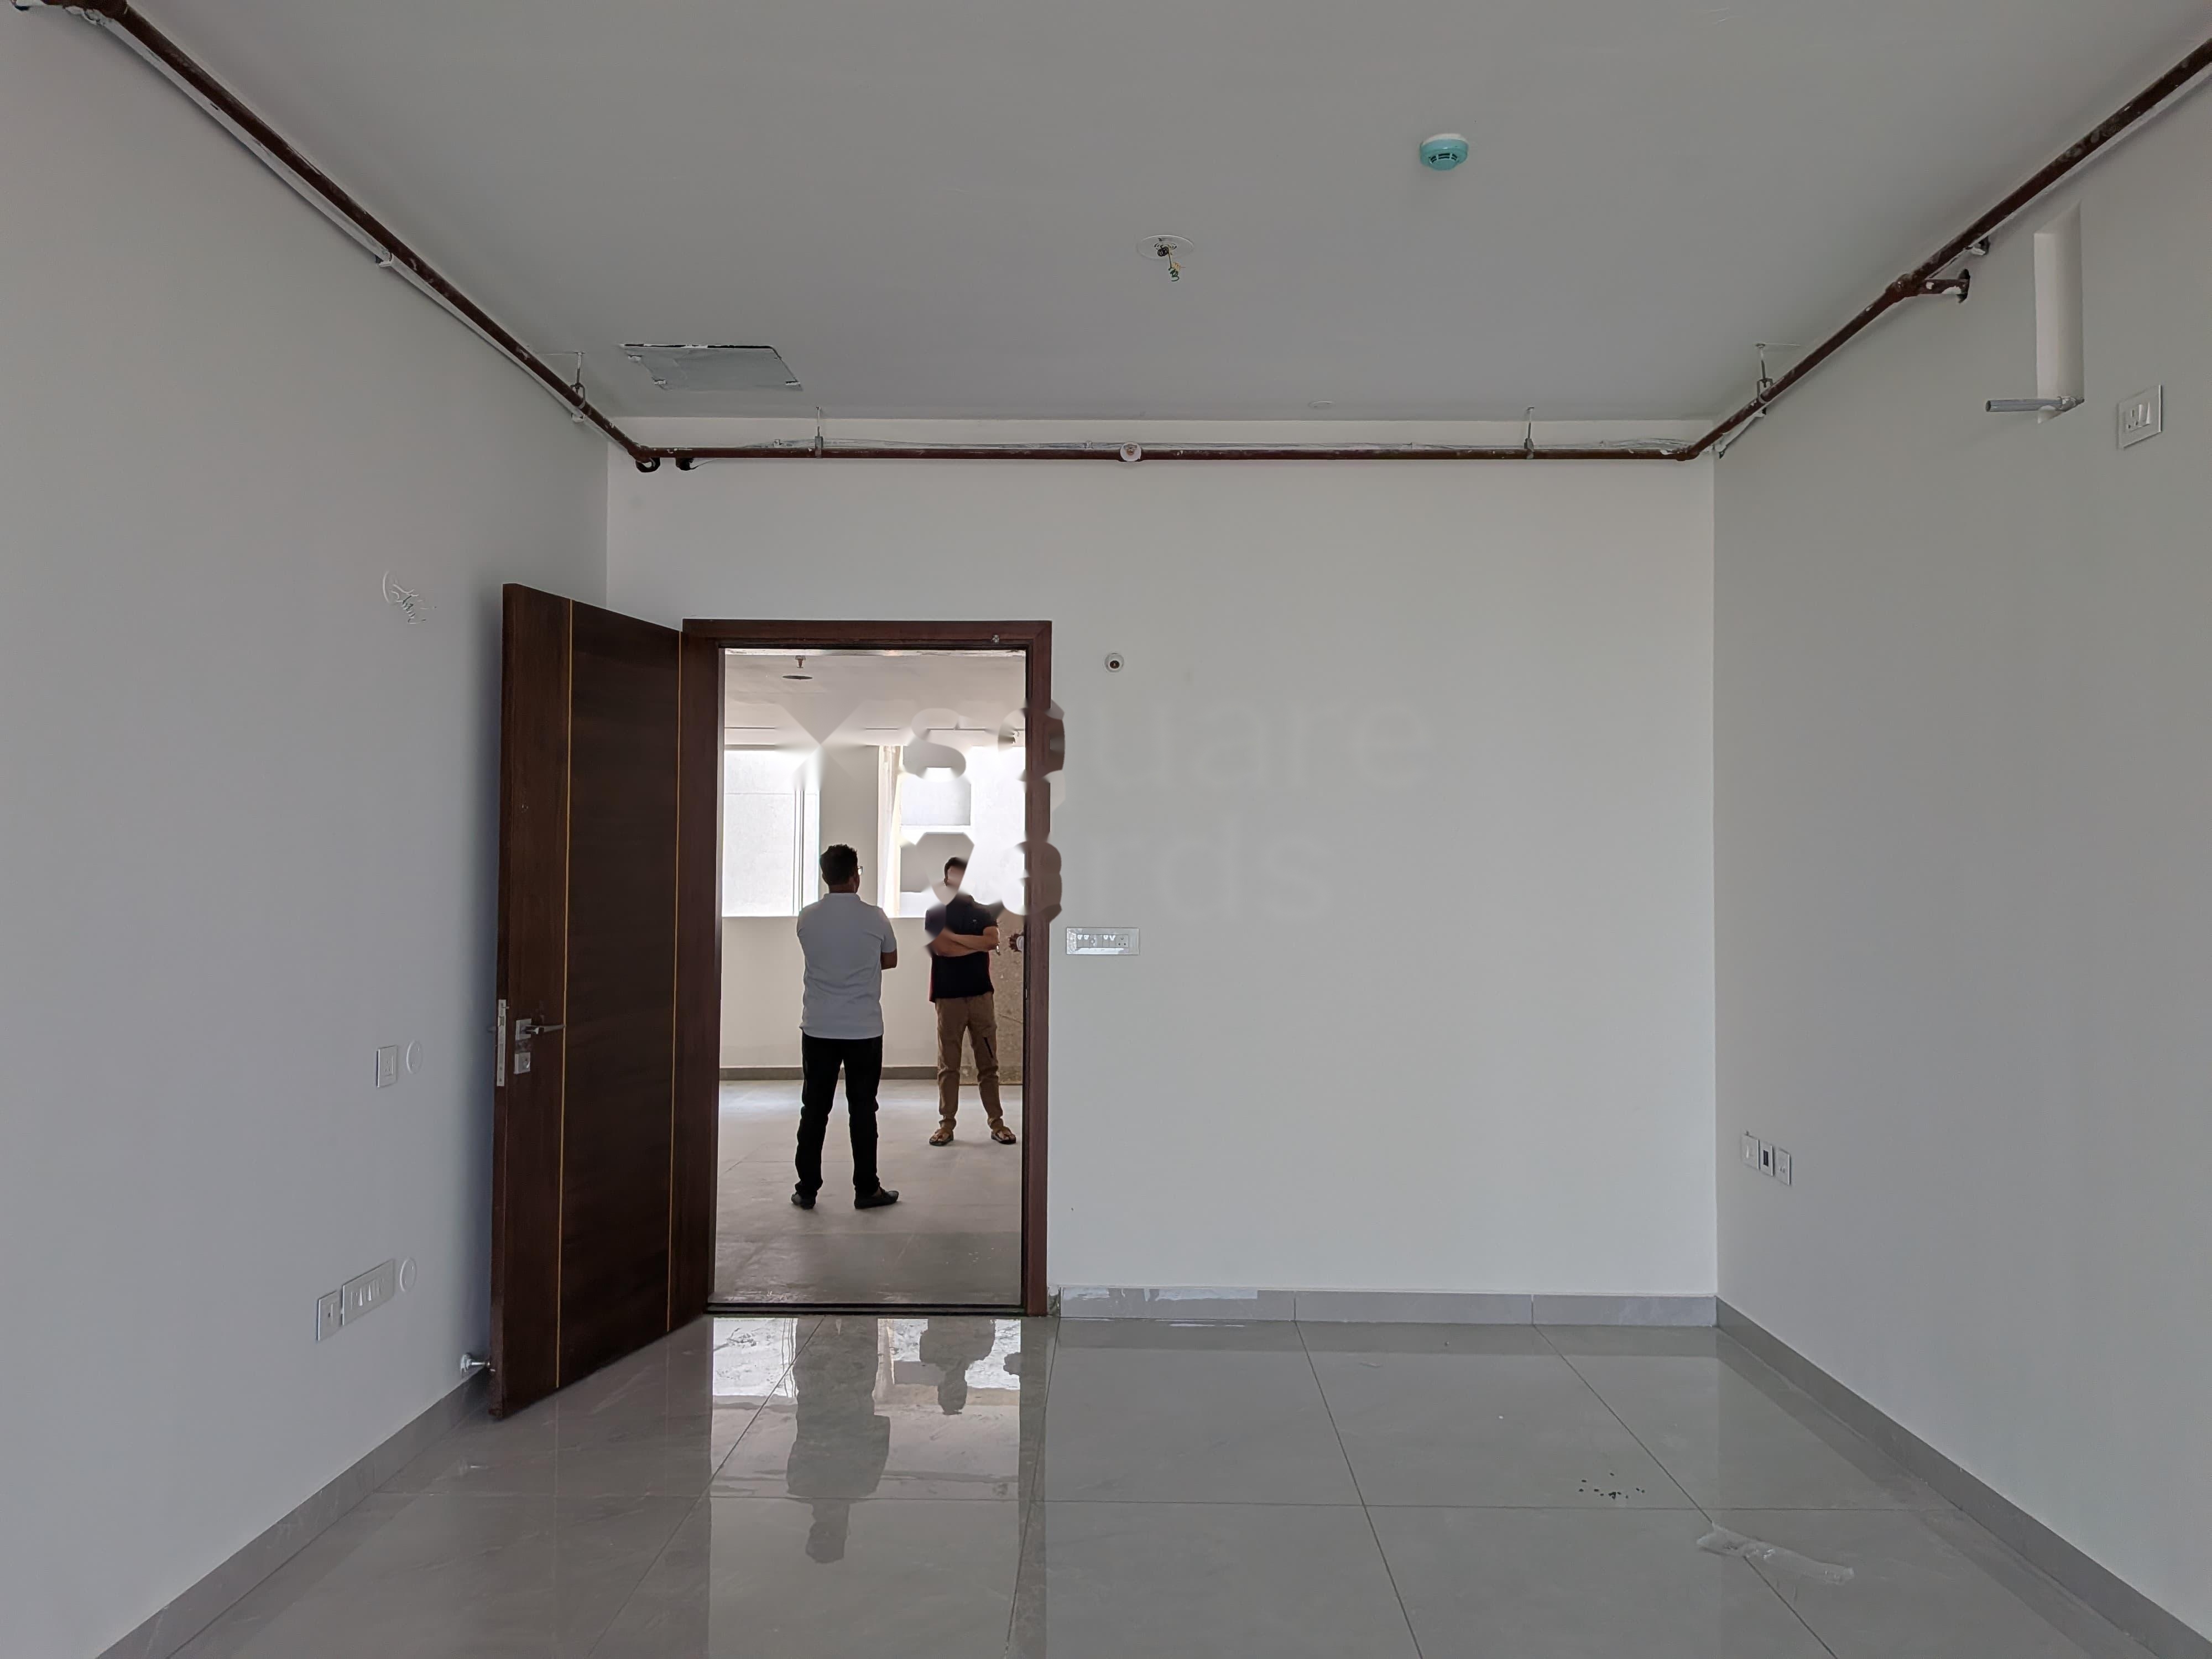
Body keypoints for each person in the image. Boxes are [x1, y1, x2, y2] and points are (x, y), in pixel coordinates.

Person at [792, 844, 900, 1211]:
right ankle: (867, 1189)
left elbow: (816, 954)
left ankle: (807, 1189)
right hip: (863, 1029)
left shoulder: (807, 917)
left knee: (814, 1109)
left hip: (818, 1026)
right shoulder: (876, 918)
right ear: (856, 876)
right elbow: (890, 960)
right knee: (863, 1110)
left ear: (825, 876)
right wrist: (863, 964)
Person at [924, 856, 1016, 1147]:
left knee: (988, 1064)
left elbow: (992, 941)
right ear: (946, 879)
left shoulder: (983, 912)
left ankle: (997, 1122)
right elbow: (943, 949)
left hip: (980, 997)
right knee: (948, 1066)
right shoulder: (935, 913)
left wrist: (955, 937)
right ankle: (946, 1124)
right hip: (948, 998)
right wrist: (972, 944)